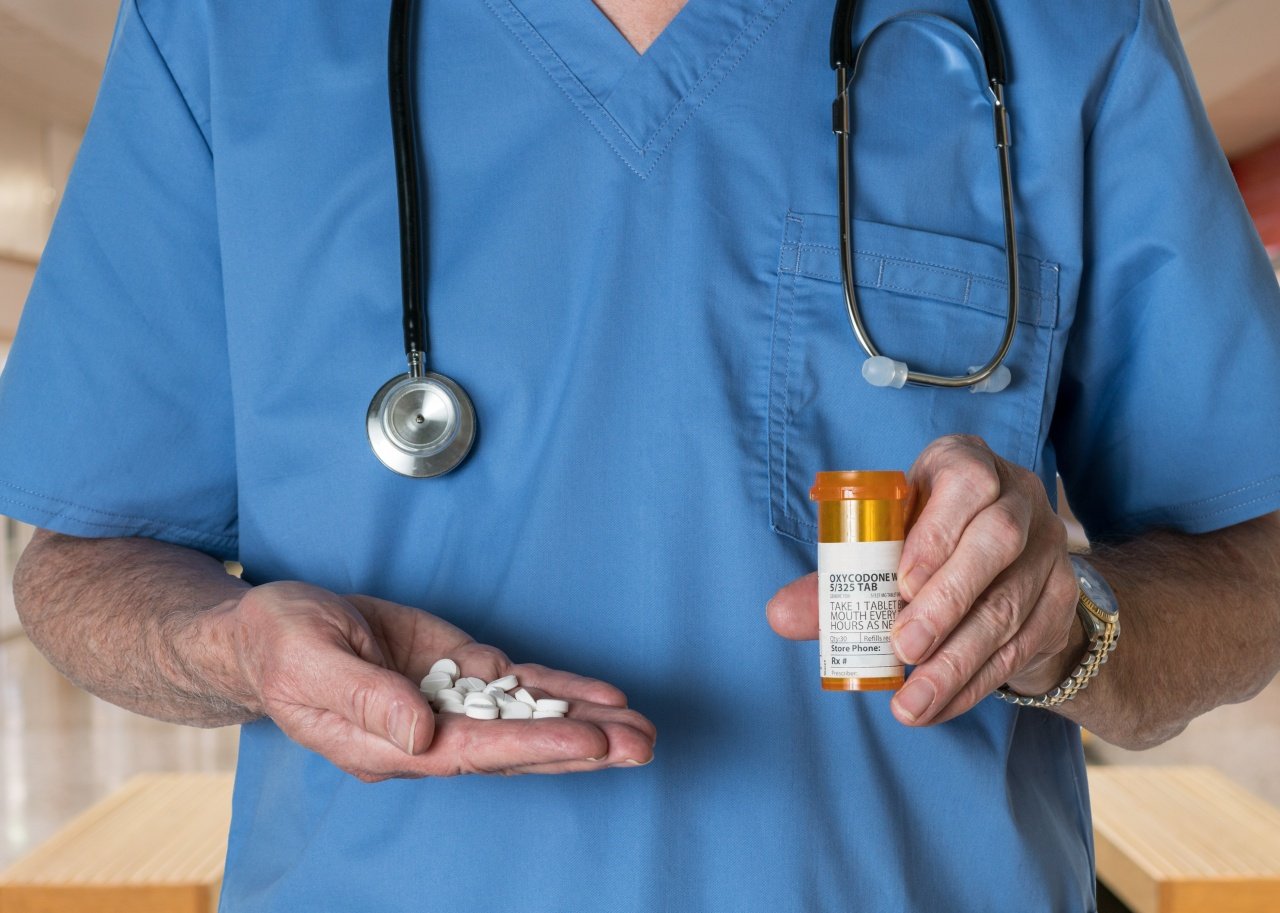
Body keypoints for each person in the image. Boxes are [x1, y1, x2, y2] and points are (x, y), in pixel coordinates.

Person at [3, 0, 1280, 910]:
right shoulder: (225, 29)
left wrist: (1067, 626)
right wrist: (231, 649)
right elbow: (82, 559)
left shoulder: (1057, 29)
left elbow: (1251, 567)